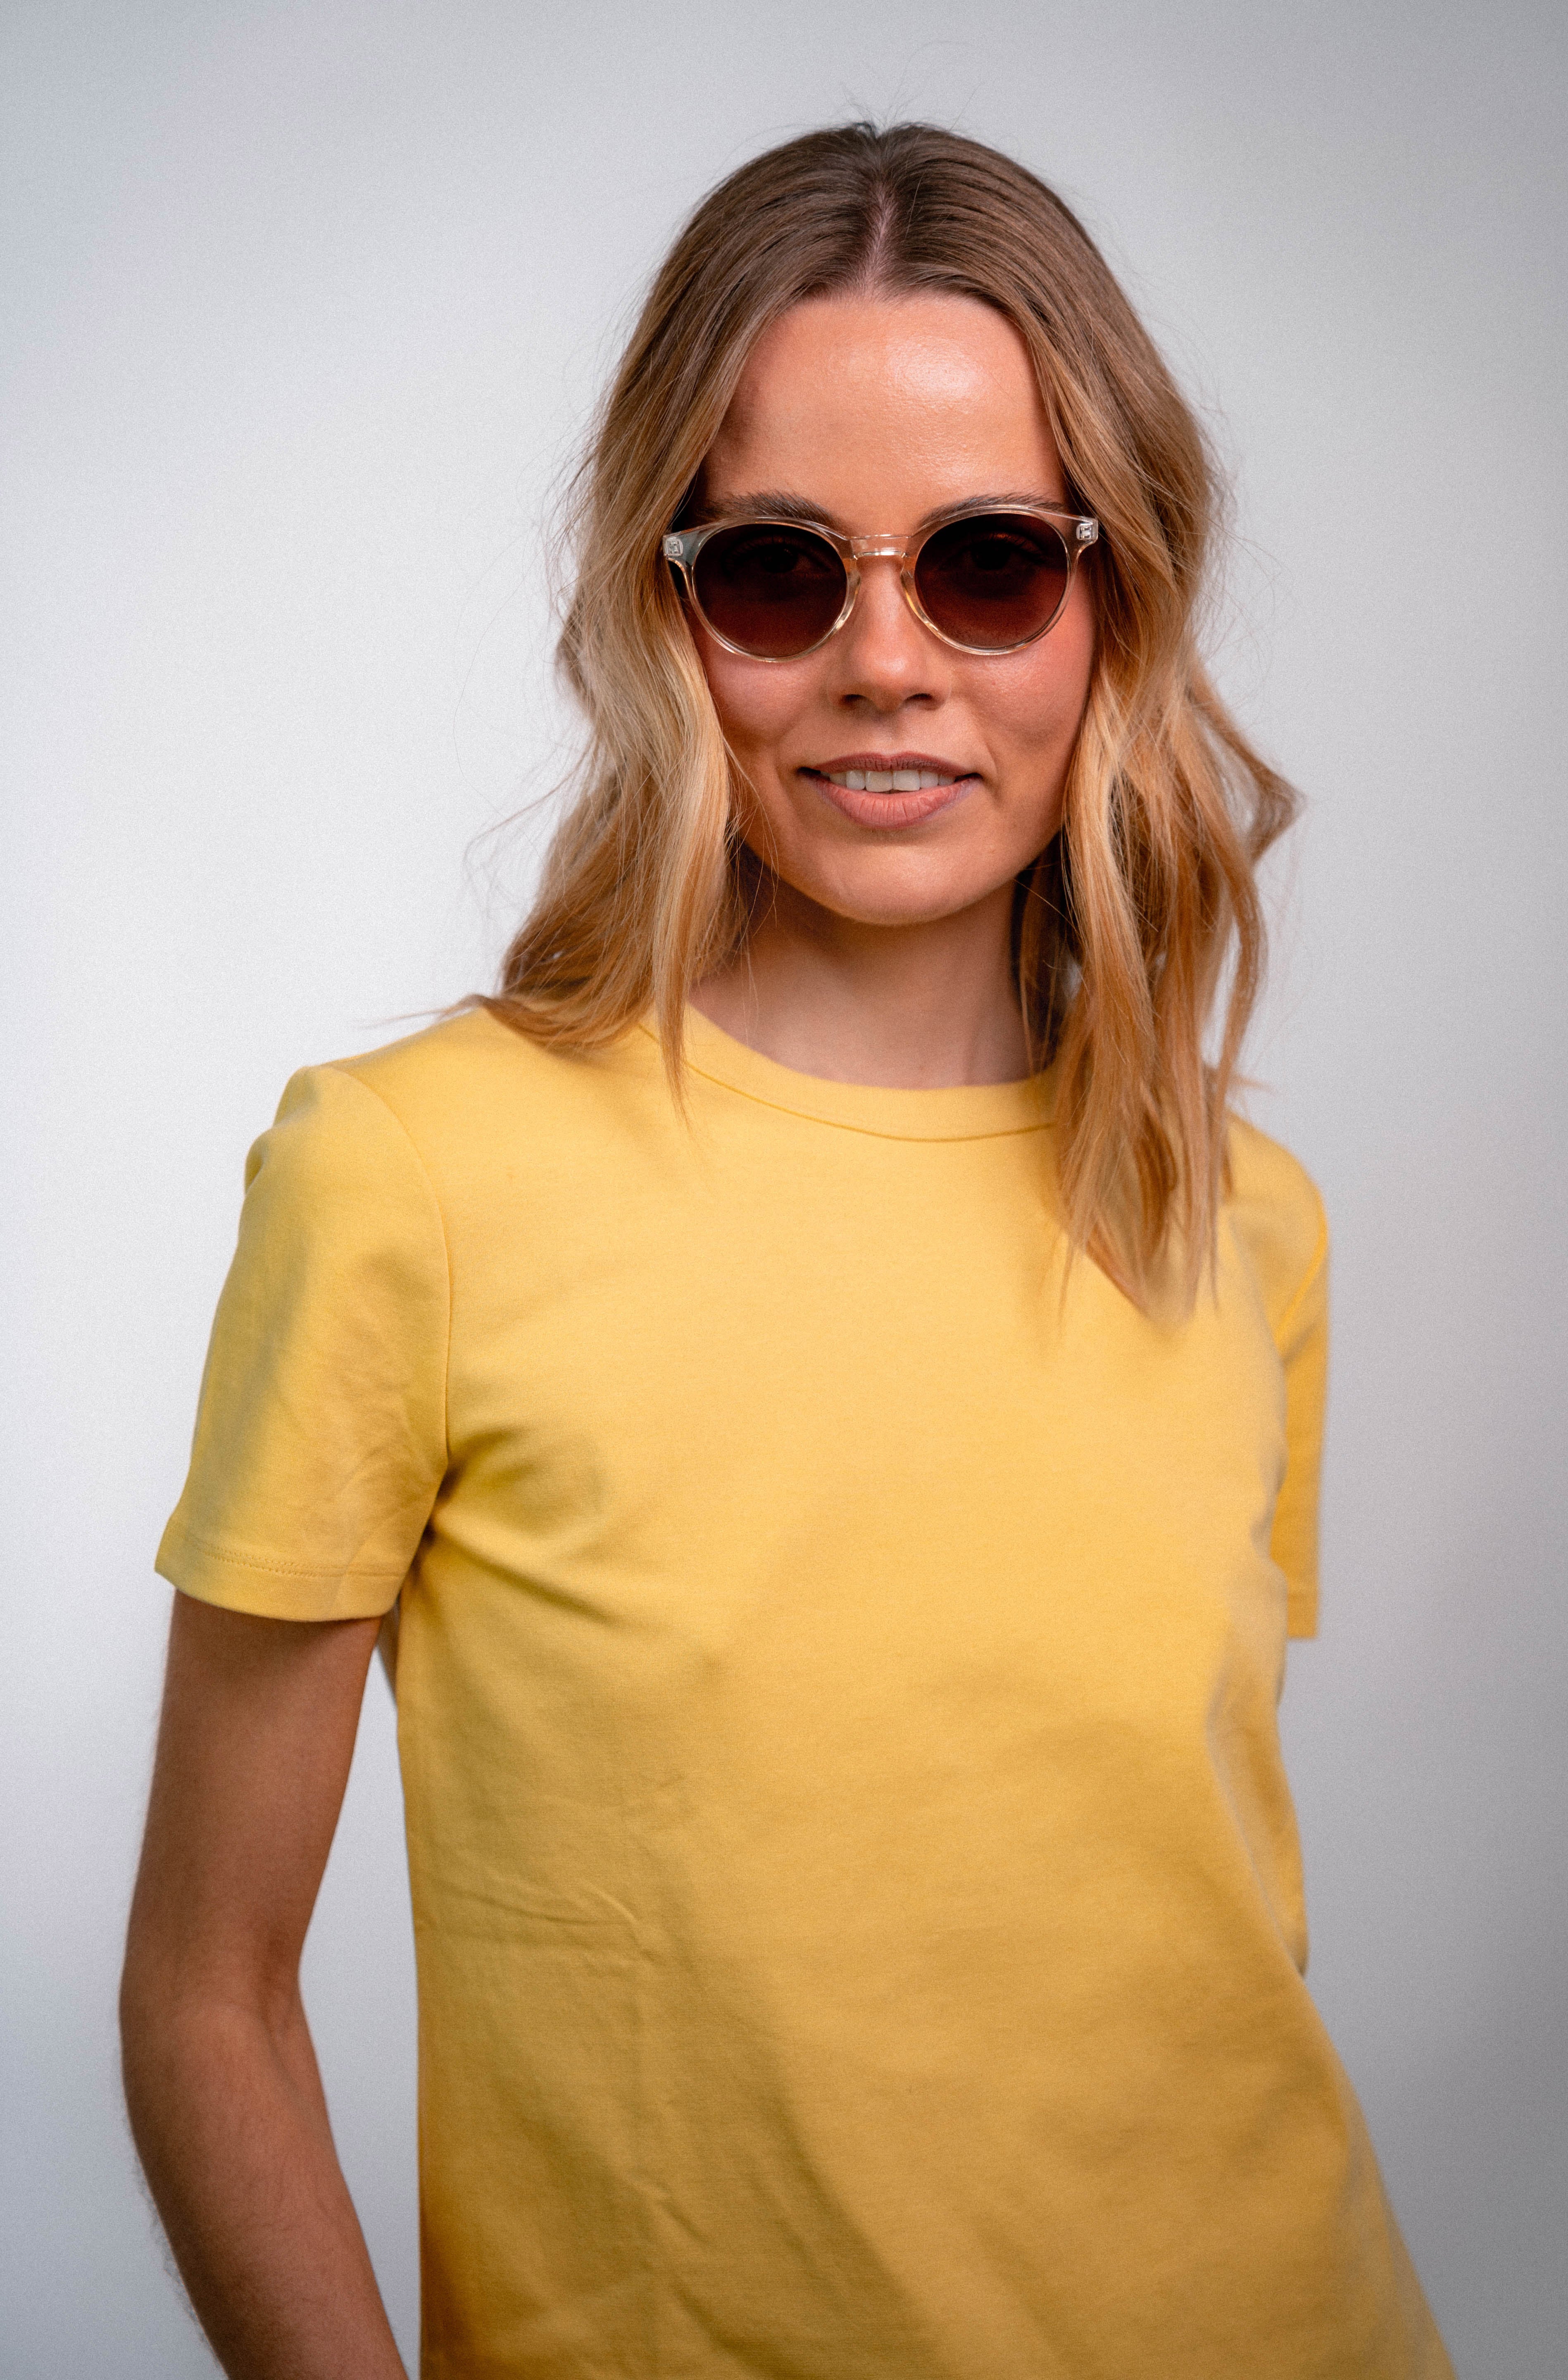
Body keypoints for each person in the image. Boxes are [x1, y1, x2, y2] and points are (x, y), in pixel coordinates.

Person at [121, 120, 1454, 2380]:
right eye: (776, 572)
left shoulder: (1240, 1218)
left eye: (992, 564)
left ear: (1116, 598)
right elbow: (206, 2000)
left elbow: (1132, 1949)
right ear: (668, 609)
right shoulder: (412, 1177)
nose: (885, 663)